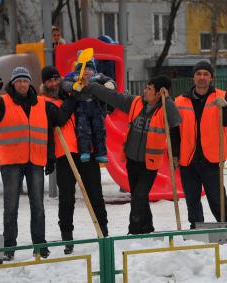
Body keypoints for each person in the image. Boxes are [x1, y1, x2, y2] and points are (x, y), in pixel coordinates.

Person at [0, 67, 77, 260]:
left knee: (38, 207)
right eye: (18, 81)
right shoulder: (3, 102)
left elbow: (58, 120)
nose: (22, 84)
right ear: (13, 83)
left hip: (36, 162)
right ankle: (8, 247)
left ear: (30, 82)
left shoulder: (42, 103)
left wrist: (72, 98)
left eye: (25, 80)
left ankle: (40, 245)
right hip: (11, 162)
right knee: (11, 207)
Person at [68, 75, 181, 234]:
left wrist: (167, 99)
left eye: (149, 89)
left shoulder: (164, 109)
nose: (145, 91)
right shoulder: (135, 103)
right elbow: (113, 96)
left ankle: (133, 230)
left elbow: (175, 120)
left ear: (159, 94)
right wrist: (92, 86)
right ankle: (147, 227)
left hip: (150, 163)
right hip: (132, 160)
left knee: (139, 197)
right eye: (146, 87)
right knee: (138, 196)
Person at [40, 66, 109, 254]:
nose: (54, 83)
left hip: (87, 151)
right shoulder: (45, 101)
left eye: (56, 79)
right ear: (45, 84)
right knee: (66, 198)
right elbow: (60, 118)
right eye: (50, 81)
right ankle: (67, 237)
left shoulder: (70, 92)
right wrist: (73, 96)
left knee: (95, 194)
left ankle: (103, 232)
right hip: (65, 155)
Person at [171, 61, 227, 229]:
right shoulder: (180, 101)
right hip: (188, 159)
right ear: (193, 77)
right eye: (199, 74)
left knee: (217, 198)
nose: (202, 77)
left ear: (211, 78)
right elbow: (173, 131)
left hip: (212, 158)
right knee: (192, 199)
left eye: (206, 74)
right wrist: (174, 154)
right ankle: (196, 228)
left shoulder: (221, 96)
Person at [65, 56, 116, 163]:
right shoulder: (75, 78)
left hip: (96, 107)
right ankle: (85, 151)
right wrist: (75, 86)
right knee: (83, 130)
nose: (87, 71)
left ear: (94, 70)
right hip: (81, 108)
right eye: (84, 69)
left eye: (90, 69)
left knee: (99, 129)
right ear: (79, 70)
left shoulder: (98, 77)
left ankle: (101, 153)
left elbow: (109, 79)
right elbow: (65, 84)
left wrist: (110, 84)